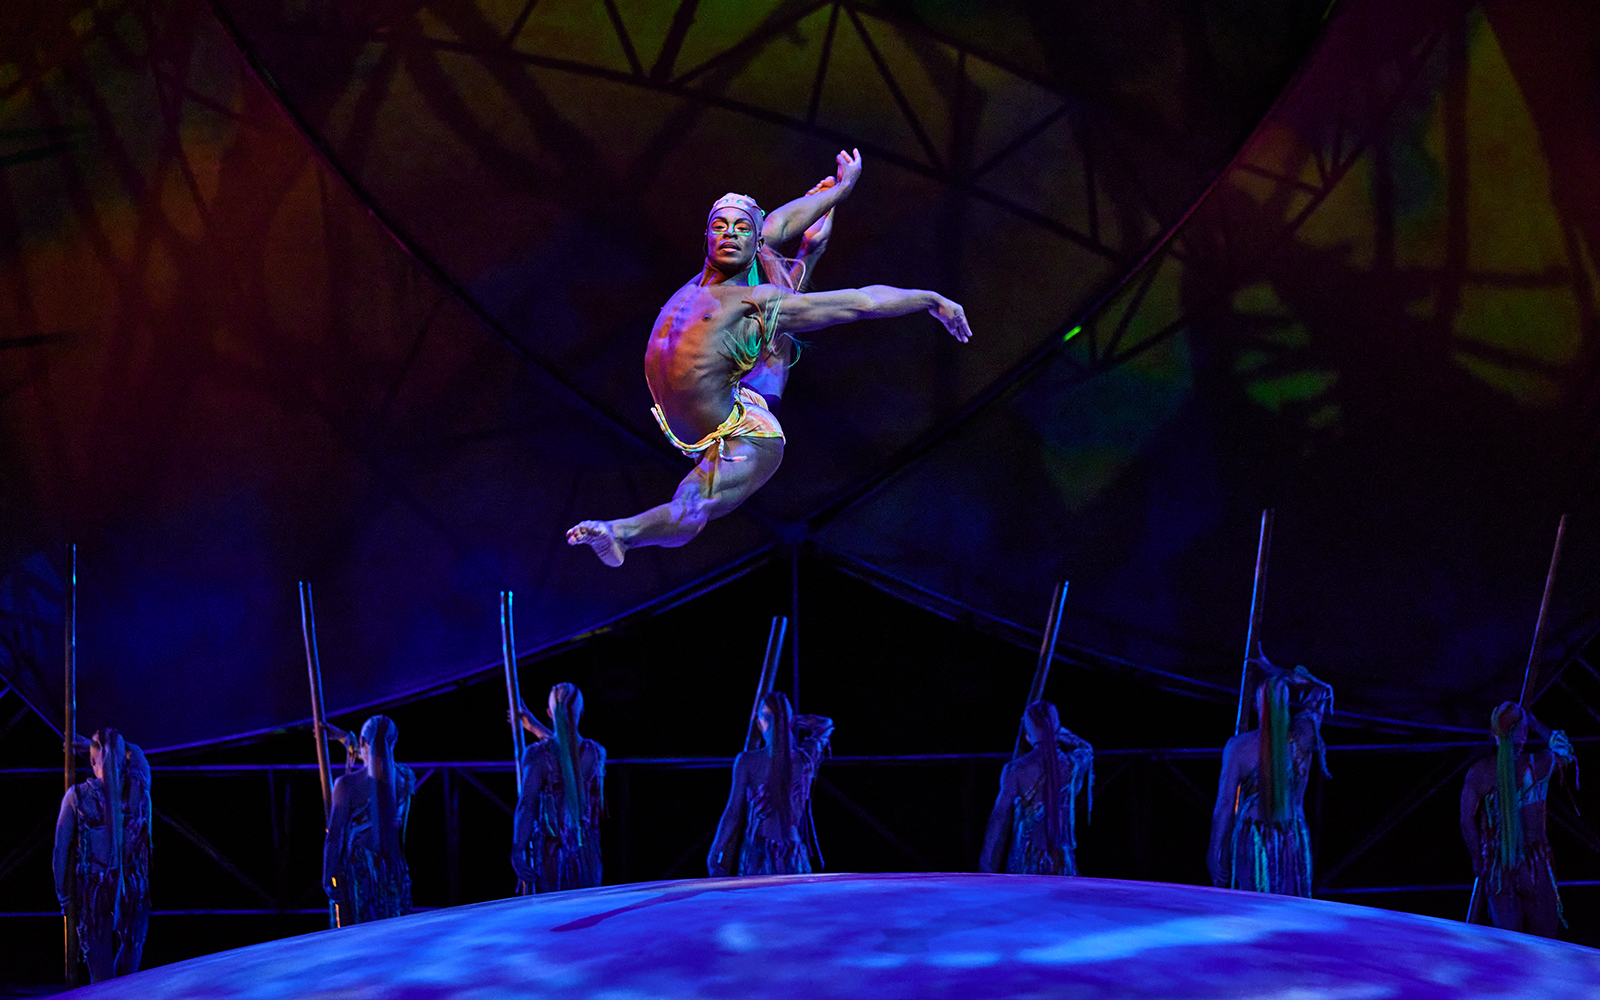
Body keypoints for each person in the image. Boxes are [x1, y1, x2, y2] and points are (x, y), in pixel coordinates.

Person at [567, 150, 972, 566]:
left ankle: (621, 533)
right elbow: (779, 221)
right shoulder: (704, 285)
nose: (729, 233)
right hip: (717, 413)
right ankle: (811, 251)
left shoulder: (757, 302)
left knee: (694, 505)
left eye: (742, 229)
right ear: (706, 236)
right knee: (774, 344)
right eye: (719, 226)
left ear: (754, 240)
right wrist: (837, 189)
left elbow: (861, 302)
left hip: (749, 439)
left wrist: (932, 299)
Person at [1208, 658, 1333, 896]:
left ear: (1257, 705)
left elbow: (1225, 805)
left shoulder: (1239, 747)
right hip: (1292, 836)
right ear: (1286, 706)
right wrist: (1281, 674)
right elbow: (1322, 690)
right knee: (1287, 908)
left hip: (1256, 840)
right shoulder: (1304, 734)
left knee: (1255, 906)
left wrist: (1214, 853)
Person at [1460, 701, 1575, 936]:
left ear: (1494, 732)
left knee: (1509, 943)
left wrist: (1477, 859)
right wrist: (1536, 724)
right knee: (1544, 944)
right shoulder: (1538, 764)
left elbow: (1466, 821)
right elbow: (1565, 751)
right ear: (1523, 733)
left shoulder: (1479, 772)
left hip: (1498, 865)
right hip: (1534, 863)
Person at [52, 728, 152, 982]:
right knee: (109, 972)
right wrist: (103, 745)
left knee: (119, 967)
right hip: (101, 890)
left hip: (123, 888)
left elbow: (60, 853)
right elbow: (60, 852)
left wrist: (65, 899)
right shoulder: (136, 785)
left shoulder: (80, 796)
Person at [708, 690, 833, 876]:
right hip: (794, 856)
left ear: (761, 722)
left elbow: (733, 812)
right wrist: (789, 719)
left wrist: (714, 855)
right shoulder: (806, 758)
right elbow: (825, 724)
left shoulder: (747, 761)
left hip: (759, 856)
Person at [979, 701, 1094, 875]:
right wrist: (1060, 732)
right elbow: (1086, 747)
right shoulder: (1074, 764)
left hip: (1026, 862)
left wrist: (985, 862)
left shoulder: (1016, 770)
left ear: (1027, 735)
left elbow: (998, 818)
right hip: (1062, 862)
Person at [511, 682, 606, 892]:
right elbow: (567, 756)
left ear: (549, 713)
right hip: (587, 852)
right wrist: (536, 727)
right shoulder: (597, 753)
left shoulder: (537, 756)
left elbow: (527, 805)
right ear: (581, 712)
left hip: (551, 855)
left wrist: (517, 851)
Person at [323, 715, 415, 925]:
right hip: (394, 870)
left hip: (361, 875)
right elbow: (377, 756)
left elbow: (335, 835)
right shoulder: (405, 778)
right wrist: (346, 739)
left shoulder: (347, 785)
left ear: (364, 743)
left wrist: (328, 876)